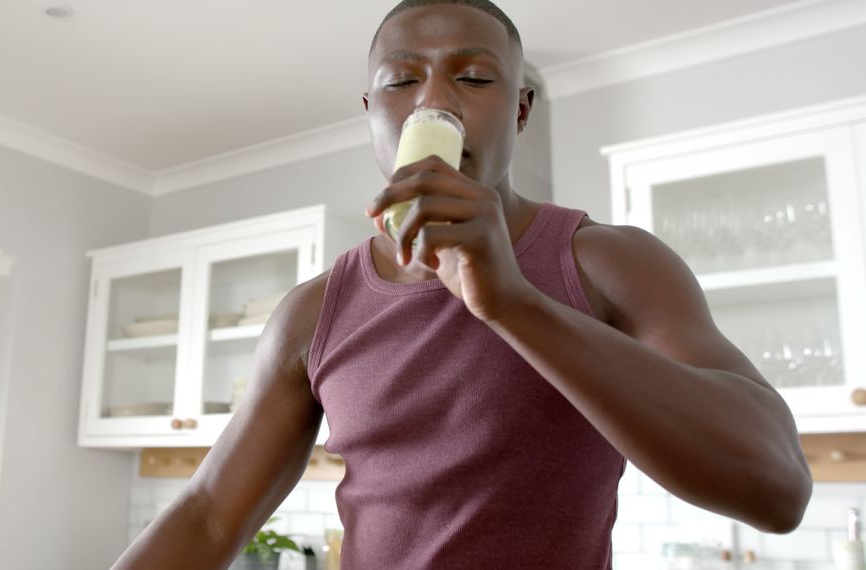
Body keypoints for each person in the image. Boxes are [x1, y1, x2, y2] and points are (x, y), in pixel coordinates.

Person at [111, 1, 812, 568]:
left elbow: (776, 487)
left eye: (475, 79)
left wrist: (511, 302)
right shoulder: (311, 314)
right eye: (402, 80)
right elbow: (207, 517)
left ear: (520, 110)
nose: (432, 106)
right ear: (371, 111)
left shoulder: (610, 263)